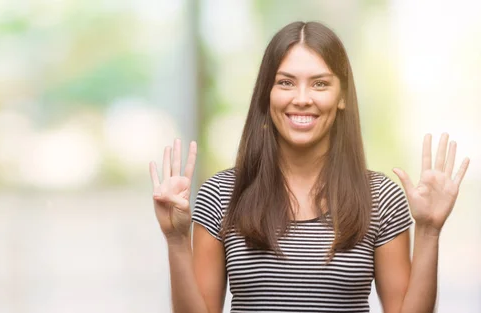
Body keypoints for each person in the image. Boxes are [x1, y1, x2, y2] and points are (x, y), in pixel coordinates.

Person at [148, 21, 470, 313]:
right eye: (286, 83)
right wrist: (176, 239)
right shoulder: (221, 194)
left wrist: (429, 230)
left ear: (341, 95)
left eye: (319, 84)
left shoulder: (380, 197)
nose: (302, 98)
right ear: (267, 94)